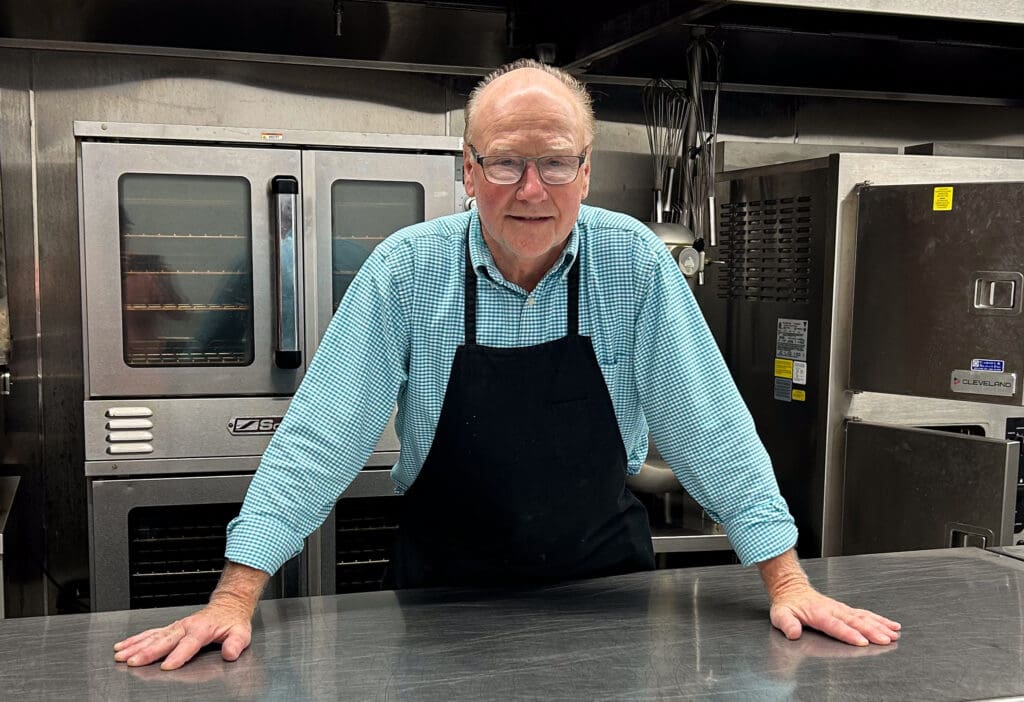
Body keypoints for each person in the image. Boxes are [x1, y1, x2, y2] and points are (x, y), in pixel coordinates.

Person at [114, 59, 900, 671]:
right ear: (468, 169)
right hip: (440, 601)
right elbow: (321, 439)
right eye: (505, 164)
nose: (532, 190)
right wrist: (234, 594)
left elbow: (710, 430)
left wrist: (787, 582)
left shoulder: (632, 264)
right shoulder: (406, 271)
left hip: (608, 599)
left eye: (556, 164)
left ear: (586, 171)